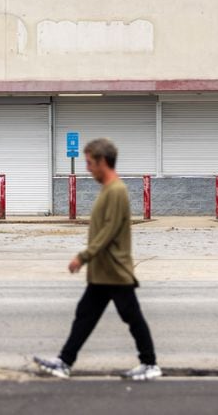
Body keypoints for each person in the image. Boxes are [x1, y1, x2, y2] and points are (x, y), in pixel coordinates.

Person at [34, 138, 160, 380]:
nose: (87, 168)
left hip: (113, 269)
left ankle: (150, 363)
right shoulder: (109, 189)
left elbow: (109, 230)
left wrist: (82, 257)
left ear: (103, 162)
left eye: (90, 162)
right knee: (85, 314)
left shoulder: (116, 190)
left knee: (131, 316)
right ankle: (64, 361)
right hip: (104, 271)